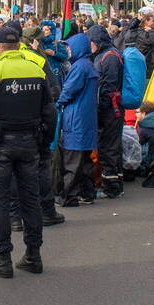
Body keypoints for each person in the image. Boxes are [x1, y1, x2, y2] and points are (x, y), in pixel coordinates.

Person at [0, 26, 56, 278]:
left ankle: (3, 259)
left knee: (0, 202)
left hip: (1, 145)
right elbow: (50, 111)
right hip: (30, 141)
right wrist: (45, 144)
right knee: (31, 199)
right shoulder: (36, 69)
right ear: (19, 45)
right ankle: (33, 255)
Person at [57, 30, 98, 207]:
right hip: (86, 118)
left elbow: (68, 91)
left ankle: (68, 196)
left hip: (76, 118)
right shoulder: (87, 65)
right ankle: (88, 193)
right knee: (85, 159)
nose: (68, 51)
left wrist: (57, 104)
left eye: (70, 48)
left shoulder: (80, 67)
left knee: (72, 160)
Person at [89, 24, 126, 199]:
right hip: (112, 108)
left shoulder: (109, 57)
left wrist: (99, 108)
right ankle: (116, 182)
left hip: (111, 109)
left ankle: (111, 187)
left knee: (108, 147)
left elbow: (108, 86)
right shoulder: (106, 54)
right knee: (112, 146)